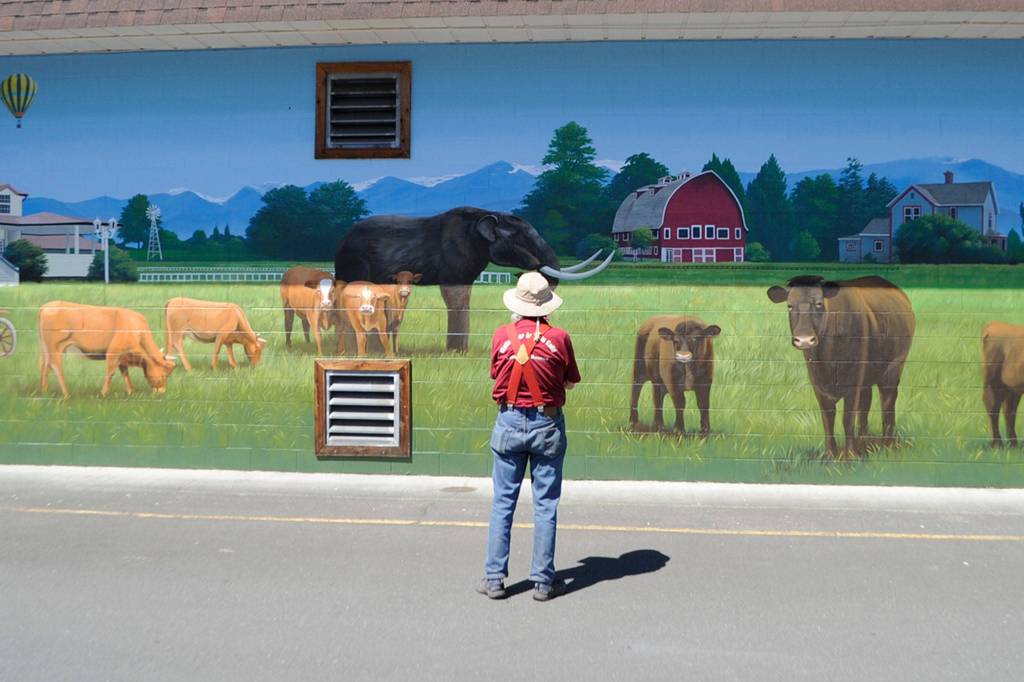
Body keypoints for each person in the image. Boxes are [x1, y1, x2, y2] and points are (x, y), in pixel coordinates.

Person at [477, 271, 581, 602]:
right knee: (545, 505)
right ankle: (543, 581)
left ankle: (494, 579)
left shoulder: (500, 335)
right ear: (547, 306)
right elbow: (570, 381)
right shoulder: (561, 337)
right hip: (547, 424)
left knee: (502, 503)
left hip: (508, 422)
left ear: (518, 304)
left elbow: (495, 373)